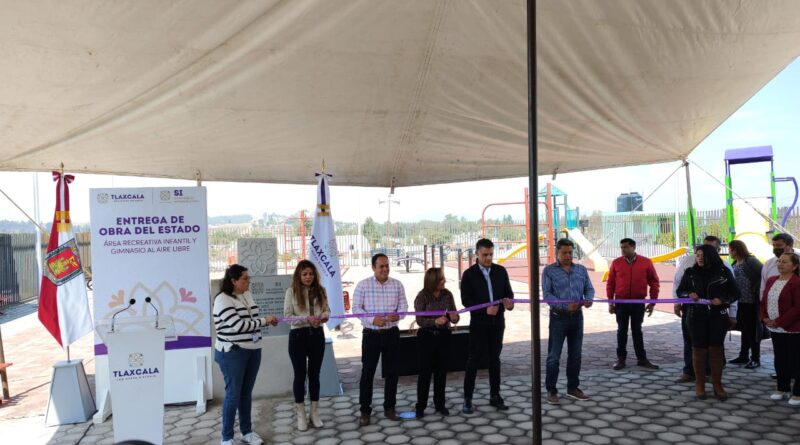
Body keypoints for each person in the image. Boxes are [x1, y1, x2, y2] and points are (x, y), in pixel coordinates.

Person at [213, 264, 278, 445]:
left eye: (249, 278)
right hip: (233, 352)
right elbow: (238, 326)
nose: (249, 281)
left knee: (246, 393)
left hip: (253, 349)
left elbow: (251, 318)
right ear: (234, 281)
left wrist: (265, 321)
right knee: (233, 394)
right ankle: (226, 438)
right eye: (245, 279)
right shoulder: (222, 299)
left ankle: (247, 432)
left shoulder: (246, 294)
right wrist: (265, 321)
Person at [676, 245, 740, 401]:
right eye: (697, 255)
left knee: (716, 349)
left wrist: (722, 300)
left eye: (702, 255)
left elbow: (735, 293)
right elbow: (680, 291)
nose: (699, 258)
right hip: (695, 316)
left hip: (718, 316)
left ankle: (717, 384)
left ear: (711, 255)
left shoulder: (724, 272)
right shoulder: (690, 272)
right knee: (698, 349)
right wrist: (688, 294)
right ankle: (700, 384)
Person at [460, 238, 514, 414]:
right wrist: (485, 310)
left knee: (495, 360)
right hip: (479, 323)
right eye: (485, 255)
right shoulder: (469, 275)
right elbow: (466, 301)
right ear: (477, 254)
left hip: (498, 323)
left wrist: (509, 304)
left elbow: (509, 294)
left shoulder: (500, 271)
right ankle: (468, 398)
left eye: (491, 254)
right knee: (473, 359)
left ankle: (495, 396)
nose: (489, 258)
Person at [353, 253, 407, 426]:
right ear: (373, 267)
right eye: (381, 266)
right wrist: (372, 319)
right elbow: (356, 308)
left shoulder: (397, 285)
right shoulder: (363, 285)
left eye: (387, 266)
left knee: (392, 373)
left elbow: (404, 307)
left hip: (392, 334)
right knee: (367, 374)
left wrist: (397, 315)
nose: (385, 269)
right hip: (371, 334)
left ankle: (389, 408)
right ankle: (365, 411)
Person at [543, 238, 595, 404]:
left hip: (577, 318)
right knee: (553, 356)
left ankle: (573, 388)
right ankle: (551, 390)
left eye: (570, 253)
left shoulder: (581, 269)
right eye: (564, 253)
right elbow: (547, 295)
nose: (567, 256)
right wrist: (565, 306)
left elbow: (589, 288)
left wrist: (589, 299)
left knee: (576, 355)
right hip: (558, 318)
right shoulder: (549, 271)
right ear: (557, 252)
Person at [284, 260, 331, 431]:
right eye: (304, 274)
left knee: (314, 374)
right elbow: (287, 317)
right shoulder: (291, 291)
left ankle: (314, 413)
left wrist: (324, 316)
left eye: (311, 274)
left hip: (317, 335)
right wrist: (306, 319)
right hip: (298, 336)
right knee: (300, 375)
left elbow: (327, 310)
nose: (308, 277)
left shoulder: (321, 290)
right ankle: (301, 414)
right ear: (298, 275)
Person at [607, 238, 660, 370]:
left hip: (638, 303)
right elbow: (610, 283)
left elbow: (654, 282)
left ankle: (641, 359)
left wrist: (652, 302)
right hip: (621, 303)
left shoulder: (646, 262)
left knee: (637, 330)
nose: (623, 250)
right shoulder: (616, 263)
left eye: (625, 247)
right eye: (621, 247)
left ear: (633, 247)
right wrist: (610, 302)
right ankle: (621, 359)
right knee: (621, 331)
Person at [414, 267, 459, 418]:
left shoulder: (447, 294)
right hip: (426, 337)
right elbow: (419, 320)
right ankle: (420, 406)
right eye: (441, 279)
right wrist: (435, 321)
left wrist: (454, 318)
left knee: (441, 372)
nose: (444, 281)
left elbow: (454, 314)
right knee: (424, 374)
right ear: (432, 281)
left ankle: (440, 404)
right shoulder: (422, 296)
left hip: (444, 336)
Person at [760, 253, 800, 406]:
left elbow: (797, 308)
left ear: (794, 266)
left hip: (793, 328)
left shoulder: (796, 282)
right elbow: (763, 301)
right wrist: (764, 317)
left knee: (795, 361)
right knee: (780, 358)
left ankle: (797, 393)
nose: (780, 264)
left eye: (785, 262)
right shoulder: (772, 280)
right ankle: (782, 388)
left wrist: (778, 321)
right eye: (779, 261)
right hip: (775, 328)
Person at [728, 240, 763, 369]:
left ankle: (755, 358)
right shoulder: (735, 263)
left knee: (752, 331)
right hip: (739, 302)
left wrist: (756, 290)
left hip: (750, 302)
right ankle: (743, 355)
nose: (729, 252)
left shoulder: (750, 261)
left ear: (736, 249)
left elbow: (763, 275)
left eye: (730, 249)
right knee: (744, 330)